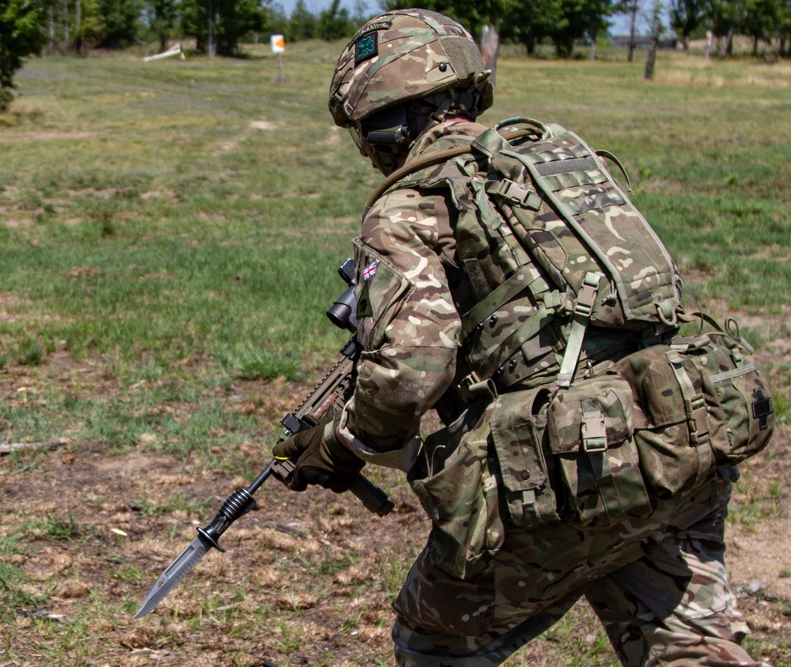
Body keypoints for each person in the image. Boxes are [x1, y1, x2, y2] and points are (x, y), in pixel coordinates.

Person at [273, 9, 775, 666]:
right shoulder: (555, 157)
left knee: (436, 638)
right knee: (686, 643)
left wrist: (342, 442)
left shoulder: (408, 204)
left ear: (377, 125)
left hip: (569, 473)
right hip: (679, 435)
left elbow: (407, 373)